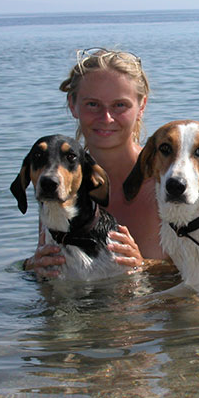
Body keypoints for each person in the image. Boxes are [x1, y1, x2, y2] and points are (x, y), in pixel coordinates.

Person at [23, 48, 167, 278]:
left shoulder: (168, 183)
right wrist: (32, 267)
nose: (106, 117)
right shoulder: (59, 184)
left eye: (120, 105)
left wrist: (144, 265)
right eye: (92, 104)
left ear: (142, 106)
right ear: (72, 104)